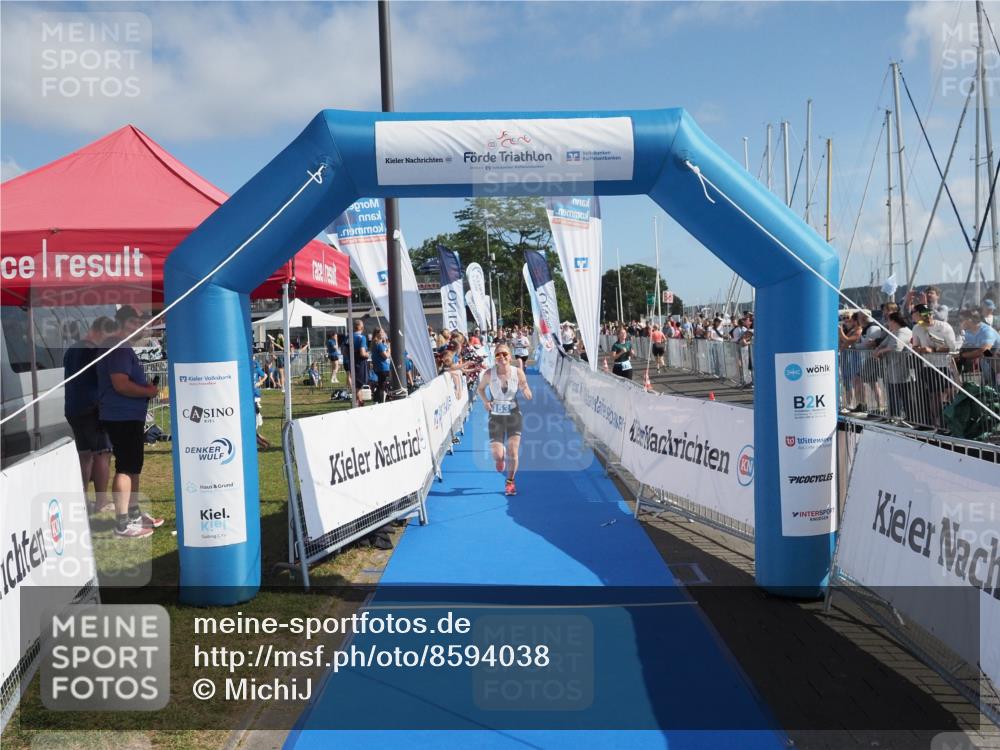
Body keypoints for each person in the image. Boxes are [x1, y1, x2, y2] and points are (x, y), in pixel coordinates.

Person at [96, 306, 163, 538]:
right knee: (125, 467)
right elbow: (121, 384)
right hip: (121, 415)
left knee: (133, 466)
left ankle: (132, 514)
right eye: (132, 323)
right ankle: (122, 524)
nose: (137, 327)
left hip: (127, 415)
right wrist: (148, 391)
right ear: (120, 322)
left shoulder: (121, 346)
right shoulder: (118, 347)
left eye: (138, 323)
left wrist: (147, 391)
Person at [64, 316, 116, 515]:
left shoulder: (71, 350)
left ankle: (83, 499)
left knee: (85, 456)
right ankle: (102, 501)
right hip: (93, 409)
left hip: (73, 409)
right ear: (100, 332)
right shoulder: (94, 352)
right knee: (103, 453)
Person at [477, 343, 533, 496]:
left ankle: (510, 482)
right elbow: (480, 389)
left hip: (513, 415)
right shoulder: (489, 374)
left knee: (512, 451)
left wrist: (527, 391)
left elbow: (524, 386)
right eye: (498, 355)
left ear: (510, 356)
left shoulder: (518, 372)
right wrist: (486, 401)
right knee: (498, 455)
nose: (502, 357)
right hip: (495, 417)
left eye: (505, 354)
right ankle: (500, 461)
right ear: (495, 358)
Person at [350, 320, 370, 405]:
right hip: (360, 363)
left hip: (352, 362)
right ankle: (359, 404)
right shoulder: (361, 337)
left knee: (358, 385)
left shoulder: (349, 337)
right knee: (358, 385)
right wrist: (367, 354)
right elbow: (362, 353)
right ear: (360, 327)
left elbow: (344, 351)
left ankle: (359, 403)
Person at [253, 357, 270, 449]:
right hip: (252, 398)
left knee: (252, 430)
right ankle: (266, 444)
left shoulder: (255, 366)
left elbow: (265, 375)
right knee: (253, 430)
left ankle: (265, 445)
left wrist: (260, 383)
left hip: (255, 397)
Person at [371, 328, 391, 402]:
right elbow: (386, 356)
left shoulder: (378, 343)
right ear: (377, 334)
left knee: (381, 385)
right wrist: (389, 349)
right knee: (382, 386)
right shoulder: (379, 344)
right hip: (383, 368)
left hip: (380, 367)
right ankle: (380, 401)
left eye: (383, 332)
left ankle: (376, 400)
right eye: (381, 332)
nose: (383, 334)